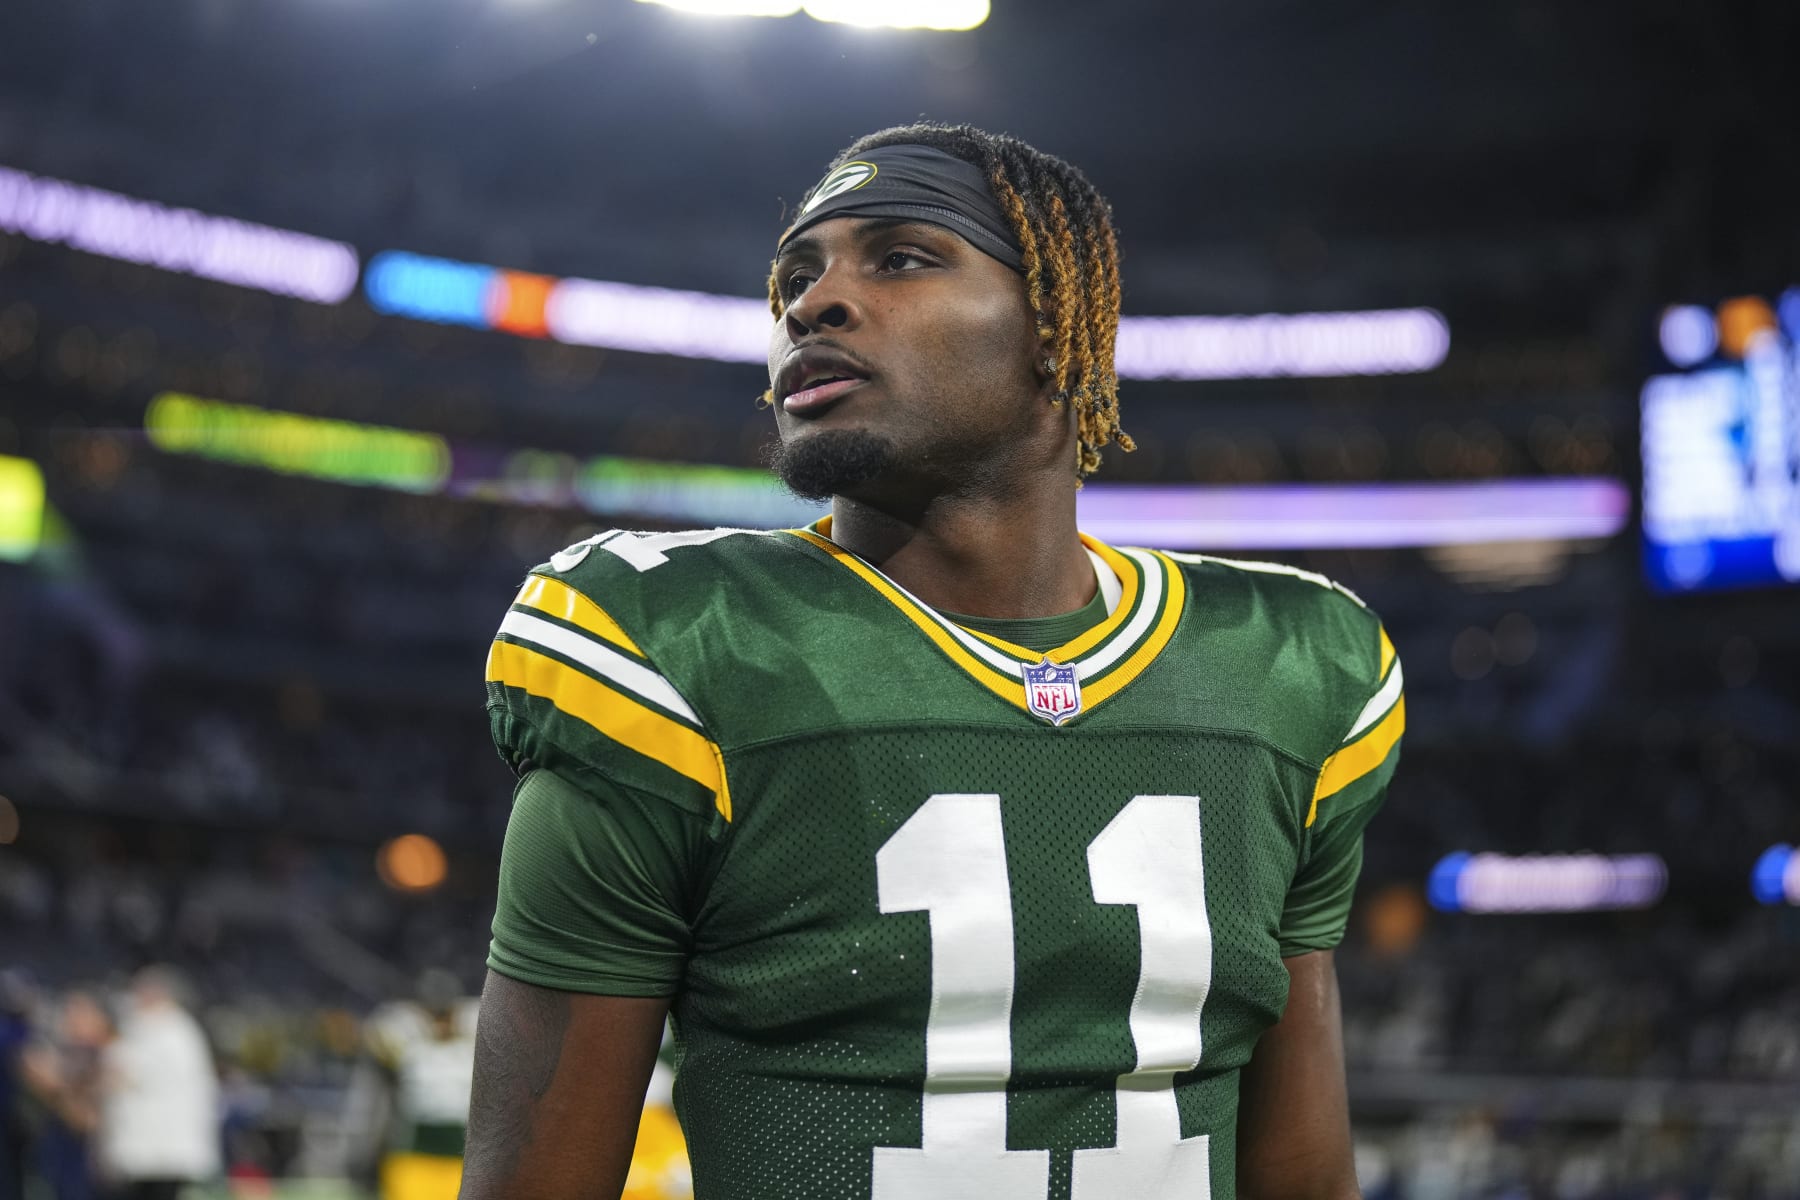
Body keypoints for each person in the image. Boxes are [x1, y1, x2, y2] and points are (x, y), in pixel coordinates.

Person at [462, 123, 1404, 1200]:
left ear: (1058, 324)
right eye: (795, 280)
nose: (813, 304)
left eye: (902, 258)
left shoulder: (1291, 666)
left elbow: (1304, 1179)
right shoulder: (672, 644)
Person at [95, 968, 220, 1200]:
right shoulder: (173, 1029)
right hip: (157, 1147)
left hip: (158, 1148)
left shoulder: (166, 1030)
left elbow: (126, 1072)